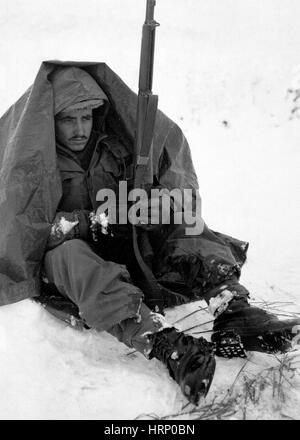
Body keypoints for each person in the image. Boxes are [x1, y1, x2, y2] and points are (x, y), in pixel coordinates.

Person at [0, 62, 299, 405]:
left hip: (127, 248)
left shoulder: (113, 148)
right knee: (70, 256)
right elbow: (20, 230)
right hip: (71, 266)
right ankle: (163, 344)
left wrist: (155, 204)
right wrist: (88, 222)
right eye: (68, 119)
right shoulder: (30, 160)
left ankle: (233, 308)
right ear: (49, 120)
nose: (81, 128)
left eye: (87, 116)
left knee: (183, 222)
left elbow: (165, 186)